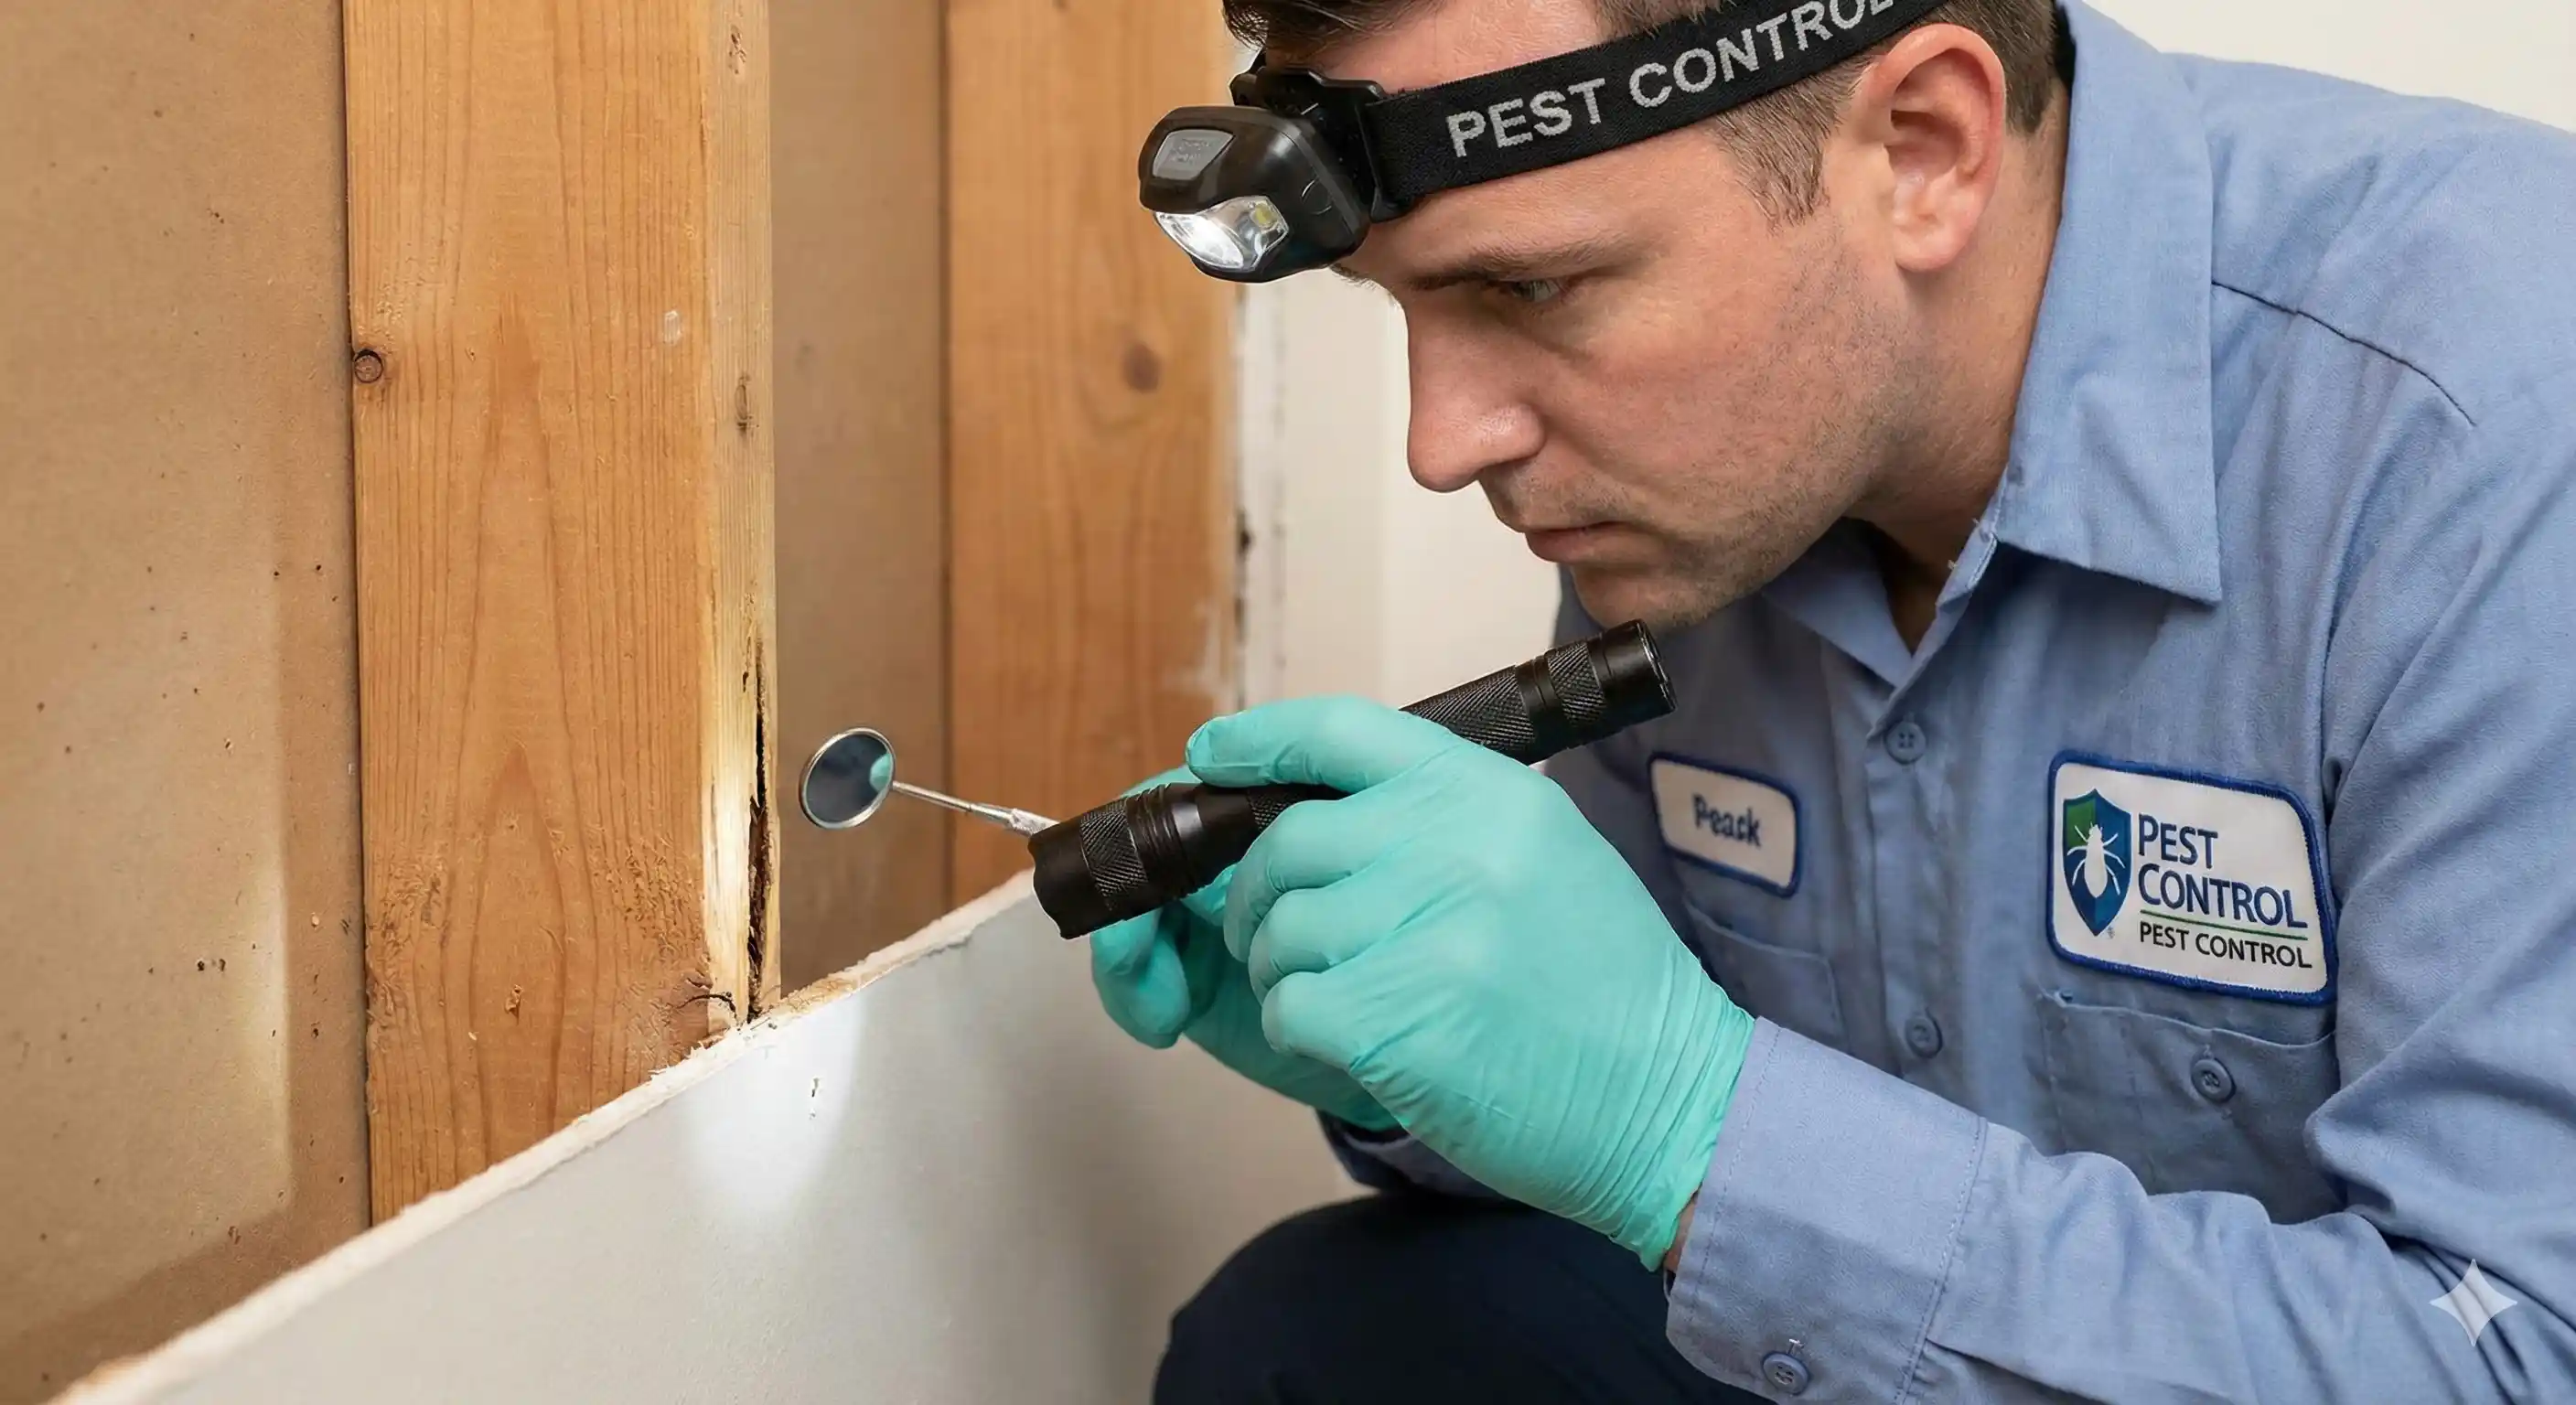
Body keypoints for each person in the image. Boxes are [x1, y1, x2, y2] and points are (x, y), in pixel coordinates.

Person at [1090, 0, 2576, 1398]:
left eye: (1533, 288)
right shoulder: (1701, 488)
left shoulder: (2489, 418)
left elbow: (2523, 1356)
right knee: (1314, 1343)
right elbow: (1653, 1089)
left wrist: (1696, 1135)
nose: (1446, 438)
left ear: (1920, 150)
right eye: (1409, 306)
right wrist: (1412, 1062)